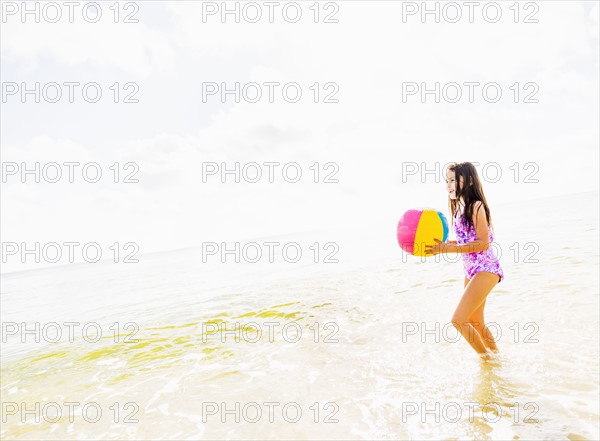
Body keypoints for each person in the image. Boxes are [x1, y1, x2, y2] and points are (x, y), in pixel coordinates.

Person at [425, 162, 504, 360]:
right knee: (475, 321)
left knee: (458, 320)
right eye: (447, 181)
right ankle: (497, 358)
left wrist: (448, 249)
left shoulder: (476, 206)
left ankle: (486, 362)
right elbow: (464, 241)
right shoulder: (460, 208)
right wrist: (441, 246)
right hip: (471, 270)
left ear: (468, 181)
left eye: (452, 180)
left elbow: (483, 244)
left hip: (486, 268)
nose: (448, 185)